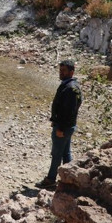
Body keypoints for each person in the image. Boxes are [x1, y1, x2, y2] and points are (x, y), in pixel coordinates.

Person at [36, 59, 82, 189]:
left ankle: (51, 180)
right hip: (67, 126)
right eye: (60, 70)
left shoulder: (70, 88)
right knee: (66, 153)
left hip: (64, 128)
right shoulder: (72, 85)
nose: (61, 73)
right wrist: (55, 121)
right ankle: (70, 178)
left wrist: (60, 127)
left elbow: (68, 111)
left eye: (64, 71)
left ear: (71, 72)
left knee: (56, 154)